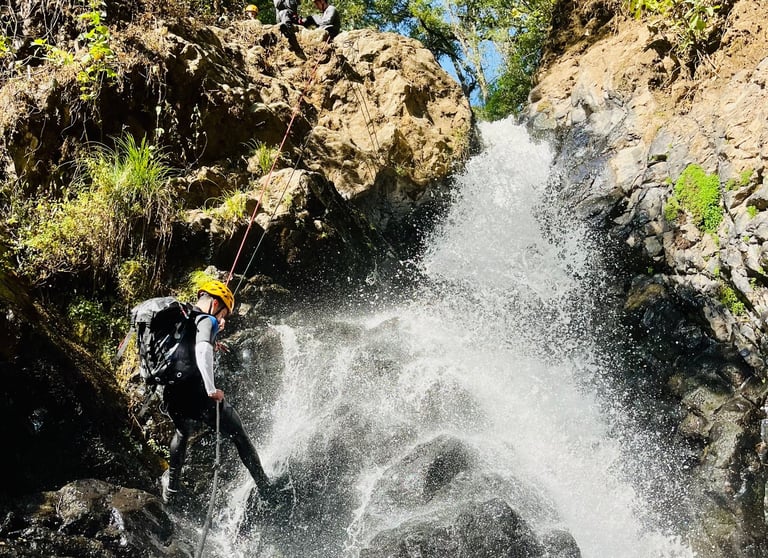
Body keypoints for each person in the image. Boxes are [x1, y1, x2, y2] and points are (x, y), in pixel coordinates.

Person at [160, 280, 275, 505]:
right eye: (223, 314)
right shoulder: (207, 319)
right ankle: (266, 489)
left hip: (172, 394)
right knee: (239, 434)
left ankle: (171, 491)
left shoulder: (185, 317)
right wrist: (211, 390)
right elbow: (201, 349)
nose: (222, 319)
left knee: (182, 432)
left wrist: (213, 340)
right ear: (215, 303)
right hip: (197, 395)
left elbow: (187, 349)